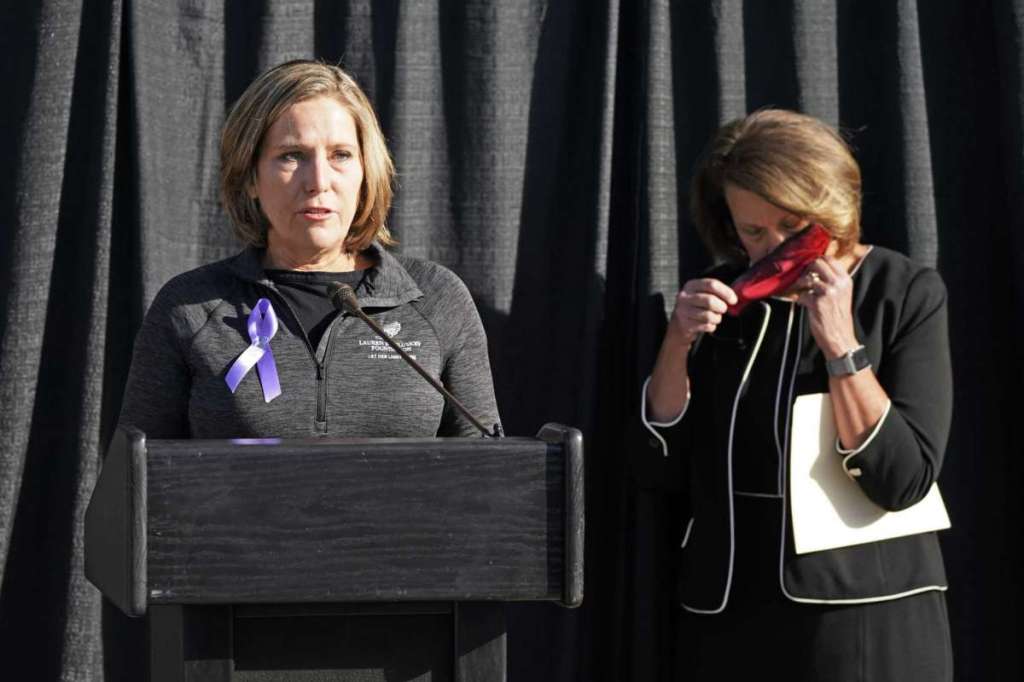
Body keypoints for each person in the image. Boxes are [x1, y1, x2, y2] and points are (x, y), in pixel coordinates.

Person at [640, 109, 953, 680]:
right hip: (728, 607)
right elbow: (664, 461)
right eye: (752, 231)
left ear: (829, 204)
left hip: (861, 616)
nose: (773, 248)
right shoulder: (723, 299)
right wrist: (678, 341)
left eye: (791, 225)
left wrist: (841, 345)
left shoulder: (904, 291)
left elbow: (905, 478)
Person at [118, 59, 500, 441]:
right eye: (292, 155)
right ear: (250, 176)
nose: (318, 181)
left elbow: (491, 467)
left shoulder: (436, 299)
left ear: (366, 172)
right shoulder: (190, 307)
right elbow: (132, 472)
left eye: (340, 155)